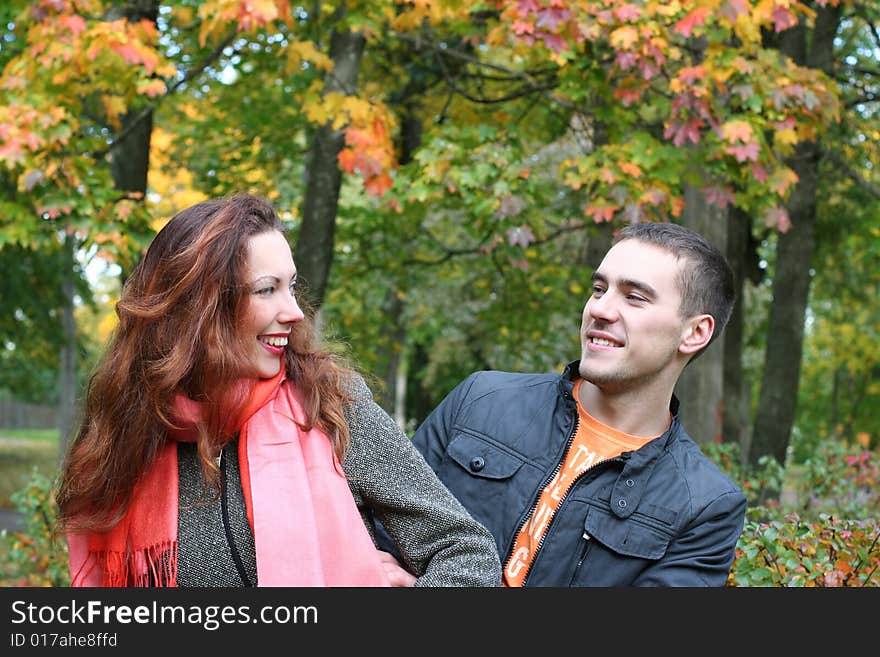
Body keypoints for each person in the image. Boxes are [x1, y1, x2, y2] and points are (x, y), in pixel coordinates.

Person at [56, 194, 501, 587]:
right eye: (266, 290)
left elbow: (465, 552)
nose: (294, 313)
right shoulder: (130, 432)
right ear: (199, 309)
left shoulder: (329, 405)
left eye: (291, 286)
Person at [389, 221, 747, 586]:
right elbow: (376, 534)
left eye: (634, 297)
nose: (600, 309)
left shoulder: (705, 507)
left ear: (695, 332)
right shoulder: (481, 401)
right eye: (598, 289)